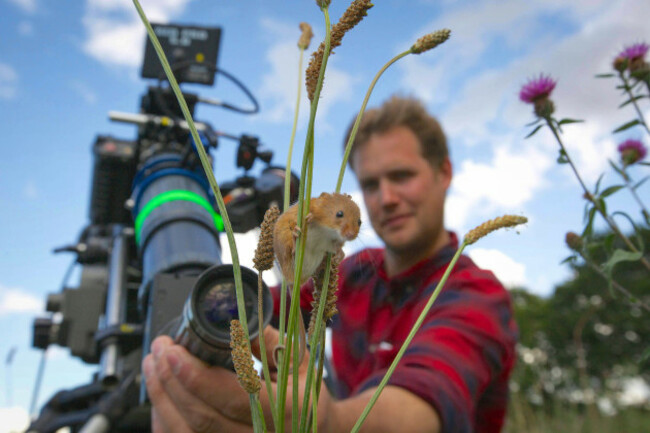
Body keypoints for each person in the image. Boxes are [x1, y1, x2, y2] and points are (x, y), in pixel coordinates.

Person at [143, 95, 517, 433]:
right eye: (370, 184)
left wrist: (324, 421)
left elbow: (423, 405)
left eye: (402, 176)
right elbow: (262, 304)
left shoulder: (476, 294)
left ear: (444, 173)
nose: (386, 198)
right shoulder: (350, 274)